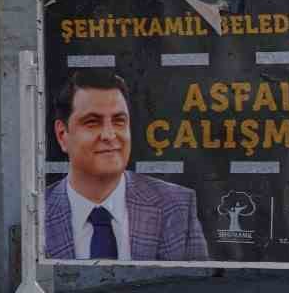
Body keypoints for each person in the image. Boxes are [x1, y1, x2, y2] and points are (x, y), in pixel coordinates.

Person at [44, 70, 209, 261]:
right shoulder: (35, 214)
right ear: (62, 135)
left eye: (119, 121)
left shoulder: (177, 206)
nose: (109, 135)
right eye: (92, 122)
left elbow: (199, 288)